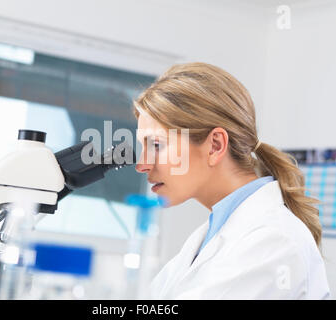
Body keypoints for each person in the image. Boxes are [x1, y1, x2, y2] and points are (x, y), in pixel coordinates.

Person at [133, 62, 330, 299]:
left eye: (156, 145)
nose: (142, 165)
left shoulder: (272, 241)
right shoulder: (209, 236)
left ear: (215, 145)